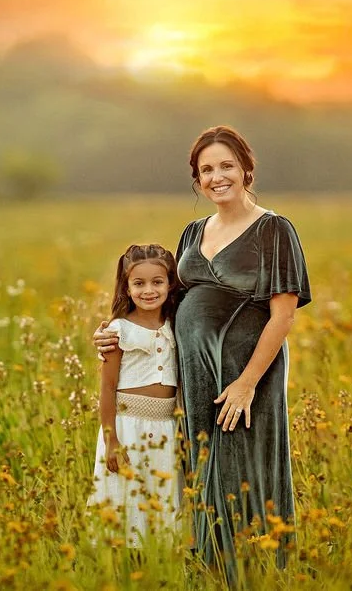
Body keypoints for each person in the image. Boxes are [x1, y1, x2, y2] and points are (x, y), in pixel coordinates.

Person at [94, 126, 311, 584]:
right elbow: (163, 304)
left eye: (226, 166)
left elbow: (282, 317)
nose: (217, 177)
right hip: (194, 379)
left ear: (246, 170)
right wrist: (114, 332)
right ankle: (208, 570)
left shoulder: (274, 229)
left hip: (247, 377)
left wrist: (247, 383)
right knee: (201, 468)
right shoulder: (193, 232)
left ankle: (254, 572)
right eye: (206, 169)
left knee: (244, 470)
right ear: (196, 180)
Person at [88, 243, 184, 548]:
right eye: (138, 283)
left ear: (170, 284)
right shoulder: (118, 330)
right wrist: (111, 440)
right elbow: (107, 388)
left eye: (157, 282)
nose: (148, 291)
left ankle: (159, 566)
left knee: (160, 498)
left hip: (166, 428)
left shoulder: (176, 325)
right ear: (126, 288)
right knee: (126, 502)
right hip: (128, 427)